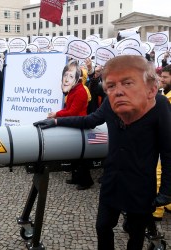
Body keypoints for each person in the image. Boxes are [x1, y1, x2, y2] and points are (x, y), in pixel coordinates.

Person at [33, 55, 171, 250]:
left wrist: (166, 190)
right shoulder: (111, 101)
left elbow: (168, 151)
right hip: (112, 180)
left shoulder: (159, 104)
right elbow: (89, 120)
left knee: (136, 234)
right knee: (103, 226)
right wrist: (56, 121)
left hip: (140, 184)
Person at [48, 61, 93, 190]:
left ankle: (86, 181)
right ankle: (76, 177)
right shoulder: (73, 89)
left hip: (79, 124)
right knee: (75, 154)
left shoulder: (80, 91)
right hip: (74, 124)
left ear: (77, 77)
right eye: (65, 75)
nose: (67, 79)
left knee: (81, 156)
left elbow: (72, 111)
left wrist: (56, 114)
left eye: (71, 76)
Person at [153, 64, 171, 221]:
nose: (162, 79)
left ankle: (157, 210)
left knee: (159, 173)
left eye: (165, 77)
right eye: (161, 76)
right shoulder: (165, 94)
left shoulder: (167, 98)